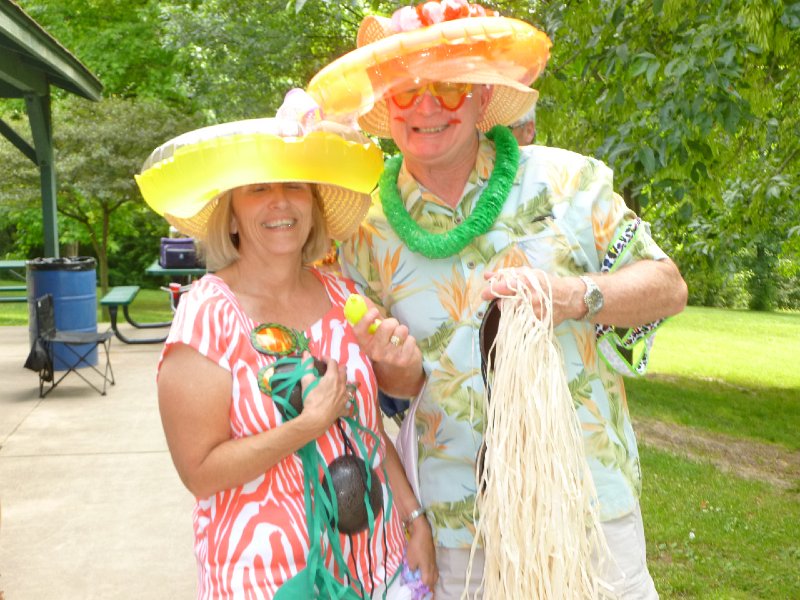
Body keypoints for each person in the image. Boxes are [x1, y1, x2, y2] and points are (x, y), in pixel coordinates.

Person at [307, 2, 688, 598]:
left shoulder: (570, 183)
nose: (428, 106)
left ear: (485, 98)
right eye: (408, 92)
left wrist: (572, 295)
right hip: (462, 530)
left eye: (451, 86)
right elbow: (357, 396)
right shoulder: (361, 229)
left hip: (588, 506)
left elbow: (668, 285)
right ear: (387, 109)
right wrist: (397, 378)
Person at [135, 90, 437, 599]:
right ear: (231, 215)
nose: (279, 201)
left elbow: (367, 430)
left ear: (312, 206)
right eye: (257, 189)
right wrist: (306, 426)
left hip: (376, 568)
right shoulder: (207, 314)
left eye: (293, 186)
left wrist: (413, 518)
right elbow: (201, 472)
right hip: (267, 577)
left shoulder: (344, 297)